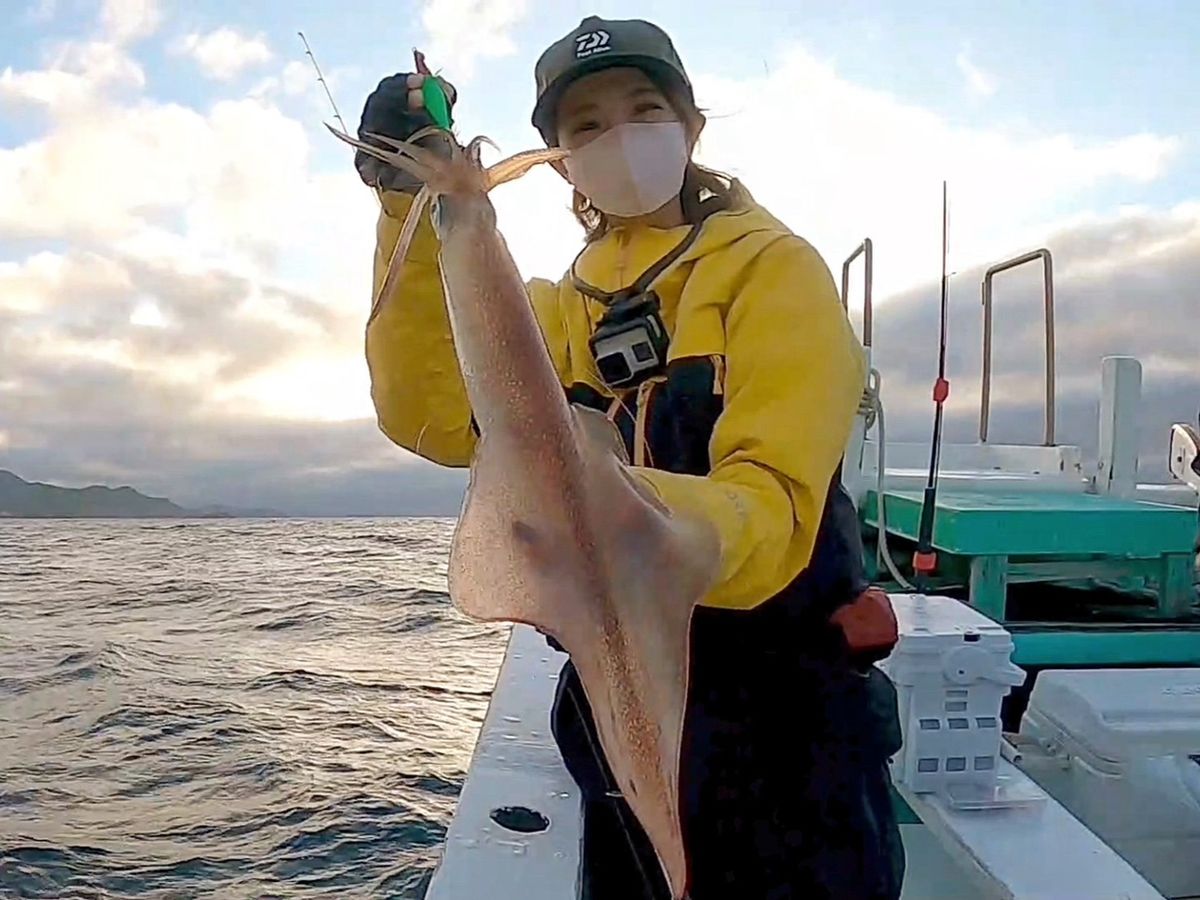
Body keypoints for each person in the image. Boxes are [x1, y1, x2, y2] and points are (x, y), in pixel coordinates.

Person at [353, 15, 905, 900]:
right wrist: (409, 204)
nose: (620, 137)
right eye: (587, 125)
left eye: (645, 109)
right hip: (608, 711)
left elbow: (773, 510)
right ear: (562, 160)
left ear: (690, 127)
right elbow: (431, 415)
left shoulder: (773, 272)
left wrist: (604, 504)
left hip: (787, 726)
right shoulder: (554, 312)